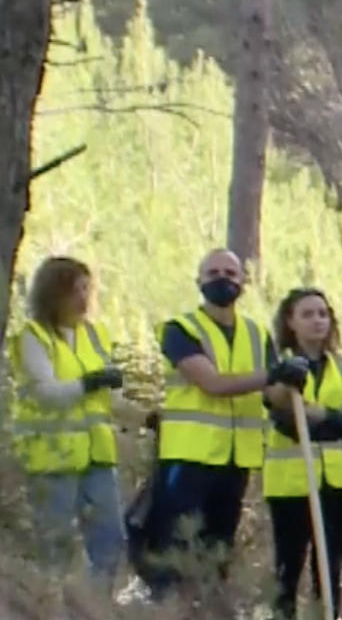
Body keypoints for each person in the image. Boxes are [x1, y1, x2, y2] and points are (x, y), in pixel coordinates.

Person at [142, 248, 306, 595]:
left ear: (244, 282)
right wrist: (272, 373)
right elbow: (212, 383)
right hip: (189, 456)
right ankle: (167, 619)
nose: (223, 280)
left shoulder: (256, 335)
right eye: (214, 272)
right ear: (199, 281)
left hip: (235, 460)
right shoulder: (180, 329)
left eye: (231, 274)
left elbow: (271, 394)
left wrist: (292, 383)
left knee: (218, 549)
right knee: (176, 544)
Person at [260, 288, 342, 620]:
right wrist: (336, 422)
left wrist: (325, 416)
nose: (317, 321)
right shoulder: (280, 369)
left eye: (323, 314)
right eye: (308, 314)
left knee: (330, 565)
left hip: (337, 481)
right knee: (289, 563)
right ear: (291, 322)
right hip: (290, 481)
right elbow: (286, 419)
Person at [10, 256, 126, 580]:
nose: (84, 299)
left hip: (97, 457)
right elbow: (47, 392)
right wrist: (90, 383)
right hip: (52, 459)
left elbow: (109, 398)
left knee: (110, 540)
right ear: (54, 293)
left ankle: (98, 612)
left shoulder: (94, 335)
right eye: (76, 290)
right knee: (54, 545)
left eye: (88, 290)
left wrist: (122, 394)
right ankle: (51, 613)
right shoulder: (34, 337)